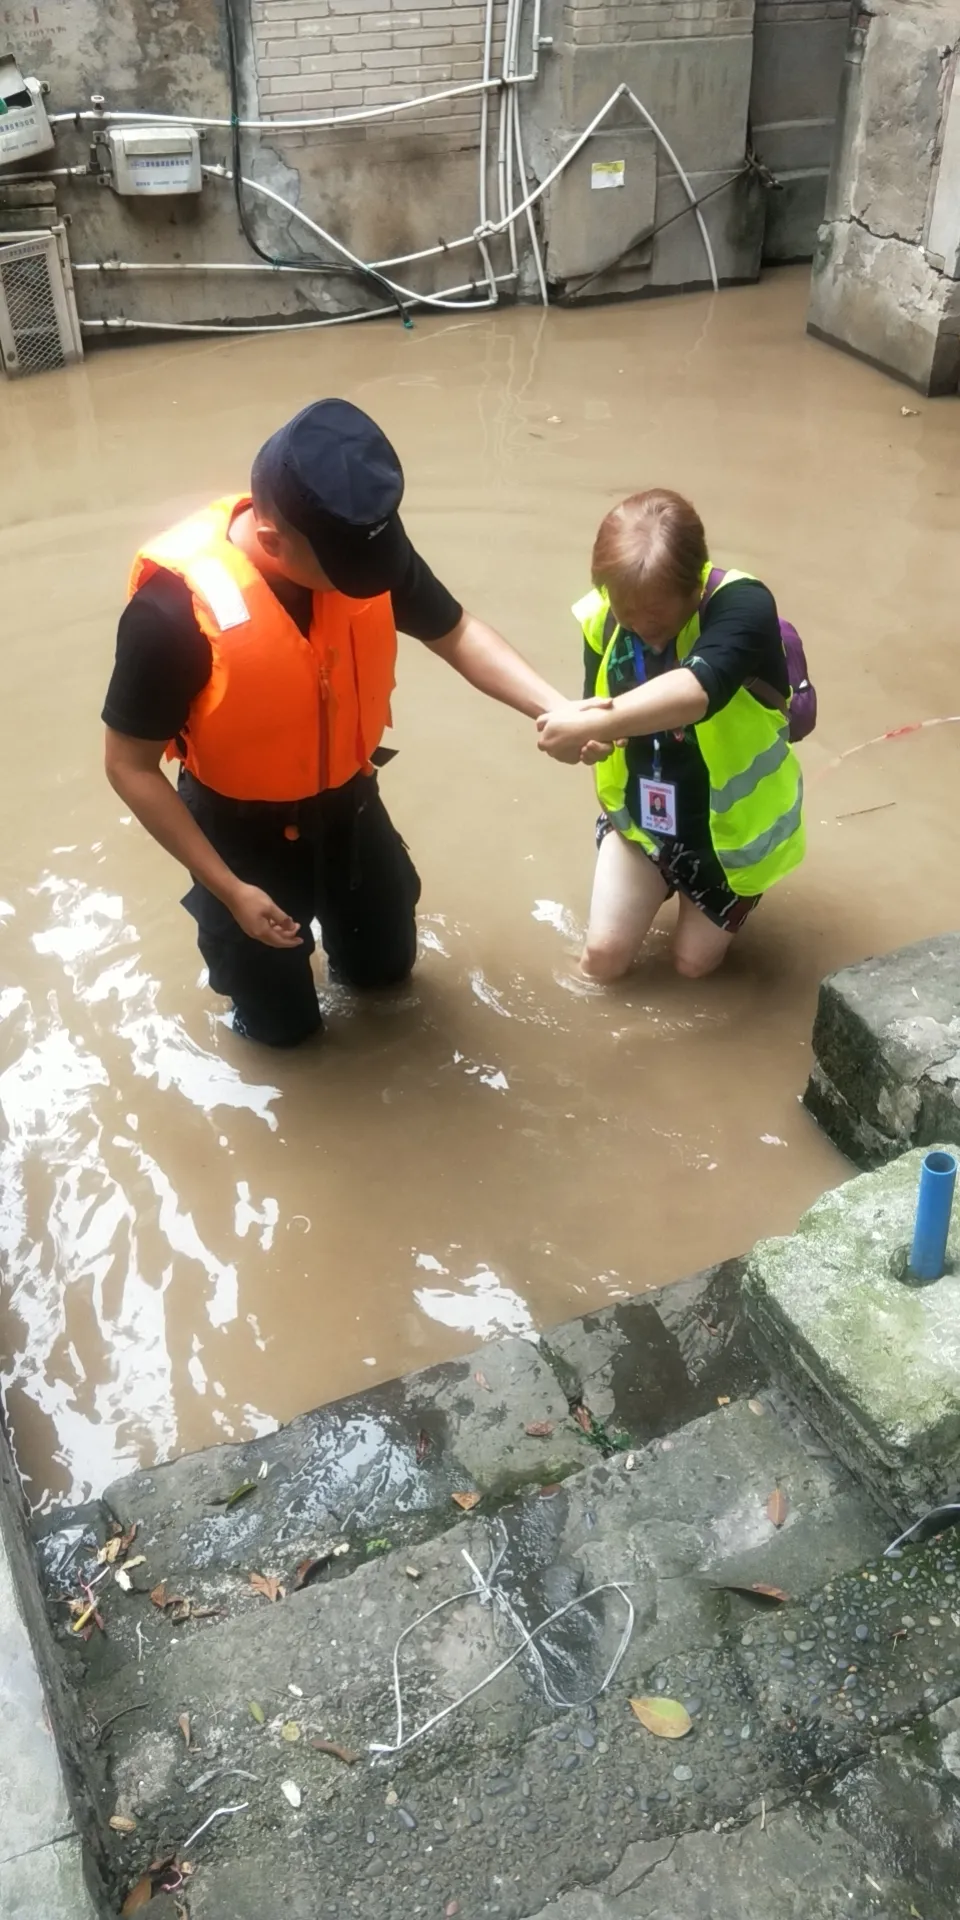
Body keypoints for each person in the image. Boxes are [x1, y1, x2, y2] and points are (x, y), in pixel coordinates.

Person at [103, 398, 569, 1046]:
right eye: (348, 575)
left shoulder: (359, 541)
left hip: (348, 805)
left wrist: (556, 706)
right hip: (238, 834)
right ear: (274, 542)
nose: (367, 584)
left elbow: (456, 631)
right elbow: (128, 766)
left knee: (387, 979)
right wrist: (231, 889)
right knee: (283, 1036)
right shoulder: (170, 615)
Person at [536, 488, 805, 982]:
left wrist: (594, 722)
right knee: (601, 960)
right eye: (627, 612)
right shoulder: (603, 615)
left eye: (655, 617)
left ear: (693, 585)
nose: (640, 627)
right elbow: (598, 708)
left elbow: (699, 689)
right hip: (642, 817)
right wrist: (591, 742)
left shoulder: (742, 604)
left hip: (727, 838)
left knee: (691, 968)